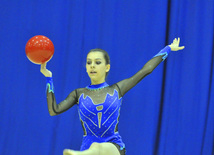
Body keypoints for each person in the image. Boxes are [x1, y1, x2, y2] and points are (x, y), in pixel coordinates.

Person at [40, 38, 185, 155]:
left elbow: (146, 70)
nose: (92, 66)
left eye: (97, 63)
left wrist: (169, 48)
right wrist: (48, 78)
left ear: (107, 67)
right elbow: (54, 110)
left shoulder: (117, 89)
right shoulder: (79, 94)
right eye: (89, 63)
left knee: (99, 147)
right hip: (87, 147)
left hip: (113, 148)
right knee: (94, 147)